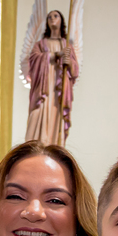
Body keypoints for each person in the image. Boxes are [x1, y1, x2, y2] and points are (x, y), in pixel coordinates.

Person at [24, 10, 78, 145]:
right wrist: (55, 55)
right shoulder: (41, 44)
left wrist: (69, 62)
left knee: (55, 119)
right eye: (49, 17)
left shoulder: (66, 46)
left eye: (55, 16)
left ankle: (53, 145)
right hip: (43, 89)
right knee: (36, 119)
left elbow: (74, 71)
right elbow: (33, 60)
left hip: (58, 92)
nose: (52, 19)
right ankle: (34, 146)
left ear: (61, 21)